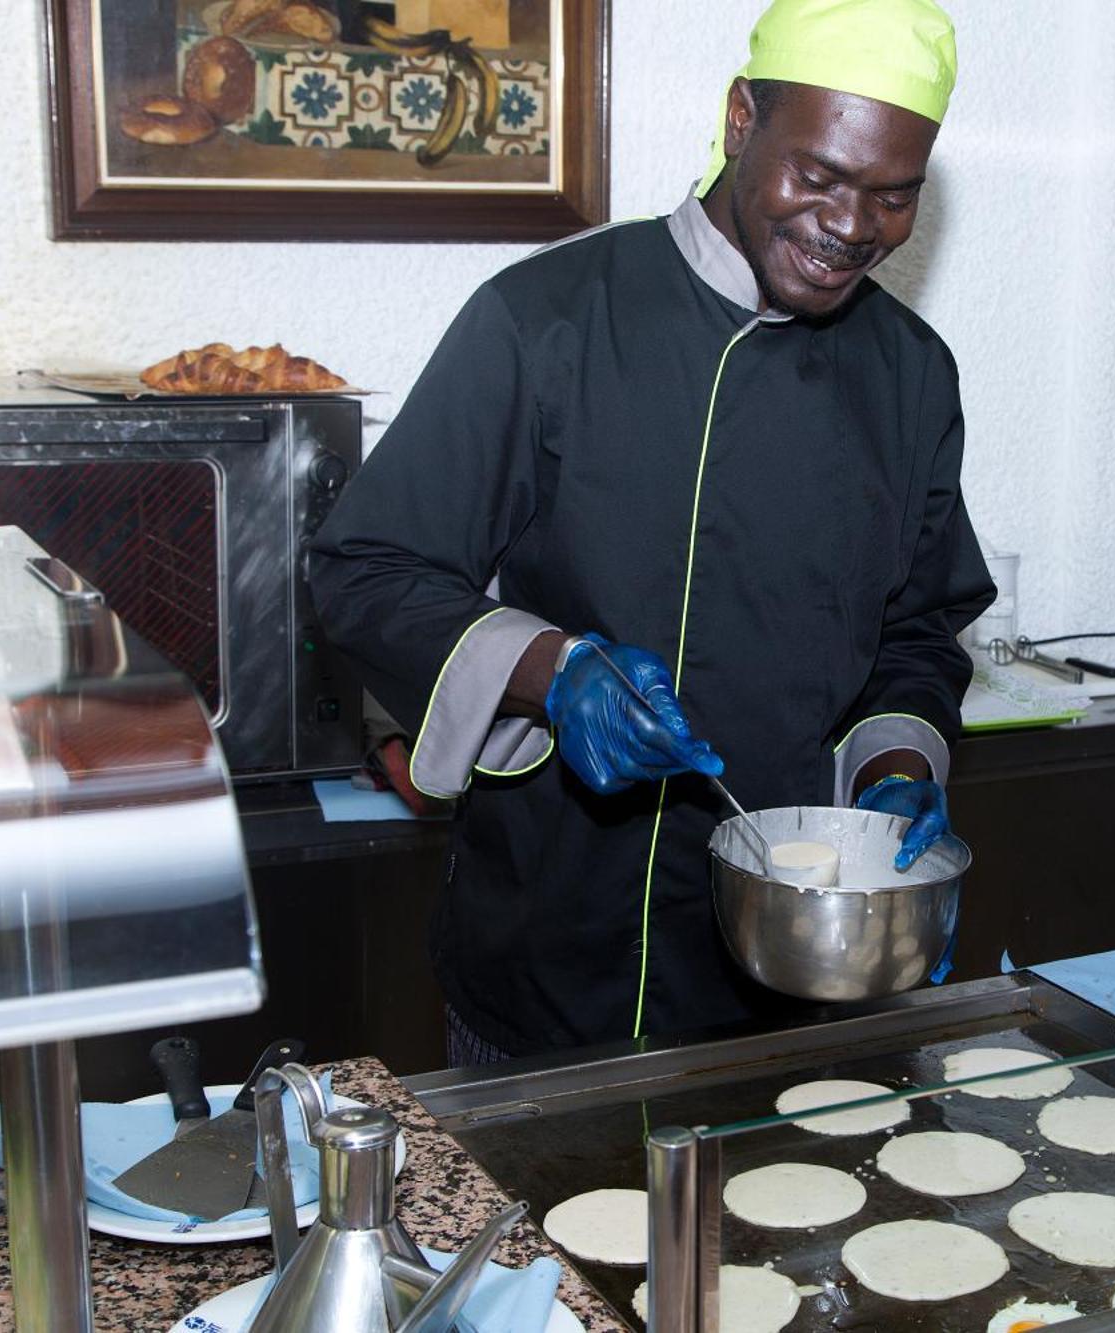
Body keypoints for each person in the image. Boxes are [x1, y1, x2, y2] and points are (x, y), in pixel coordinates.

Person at [309, 0, 993, 1064]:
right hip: (551, 954)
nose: (852, 226)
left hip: (804, 980)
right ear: (737, 120)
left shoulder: (910, 374)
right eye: (816, 176)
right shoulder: (549, 318)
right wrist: (552, 668)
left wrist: (895, 760)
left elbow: (916, 629)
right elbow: (366, 569)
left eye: (891, 196)